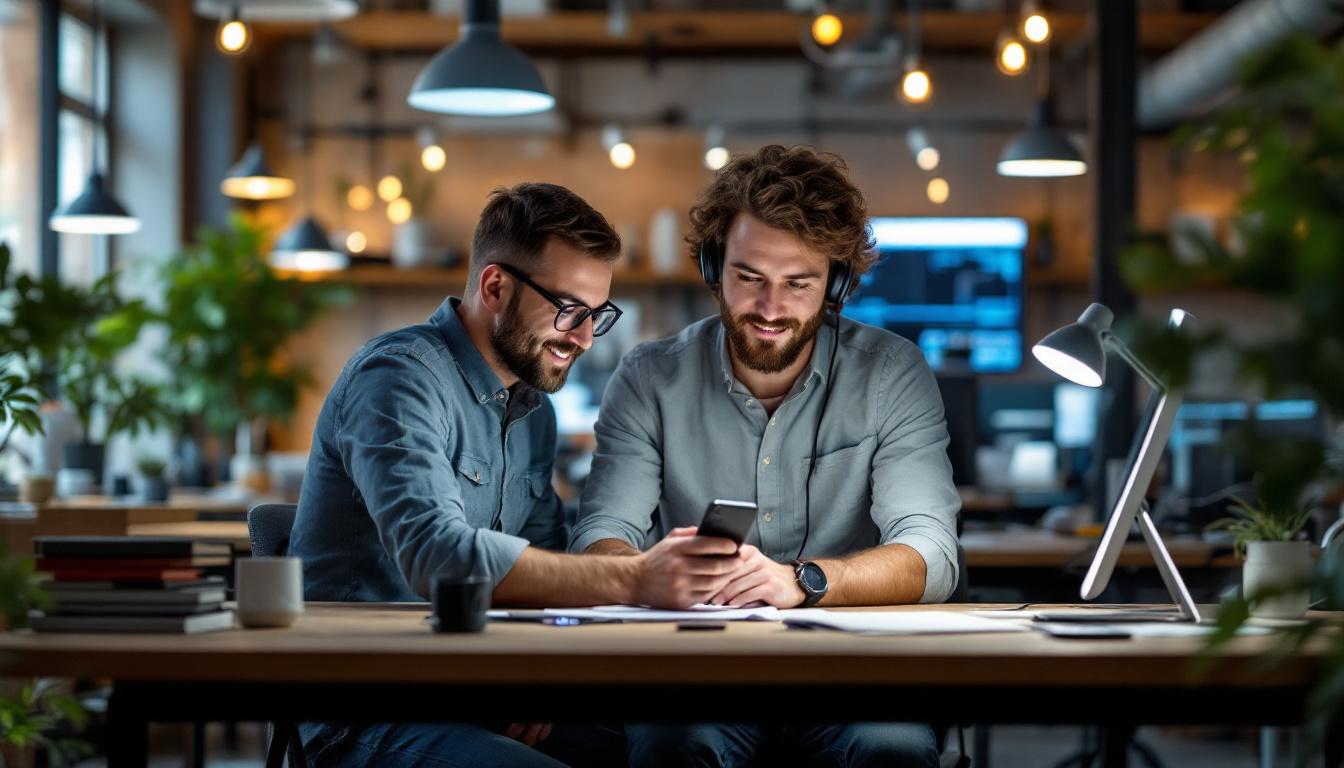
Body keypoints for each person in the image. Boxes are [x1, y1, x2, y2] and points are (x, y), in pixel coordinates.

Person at [290, 182, 742, 767]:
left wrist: (544, 672)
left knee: (665, 752)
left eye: (596, 315)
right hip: (367, 708)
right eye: (568, 309)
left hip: (475, 692)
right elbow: (438, 557)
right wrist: (635, 579)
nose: (582, 338)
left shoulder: (532, 412)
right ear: (496, 286)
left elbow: (554, 572)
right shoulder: (398, 379)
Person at [571, 146, 961, 767]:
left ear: (834, 284)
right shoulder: (648, 378)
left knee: (892, 751)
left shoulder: (891, 374)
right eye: (750, 278)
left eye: (799, 283)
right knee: (675, 745)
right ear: (712, 267)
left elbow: (931, 554)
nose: (772, 309)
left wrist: (802, 581)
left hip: (853, 678)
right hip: (698, 676)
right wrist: (646, 572)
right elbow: (598, 537)